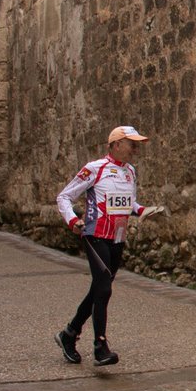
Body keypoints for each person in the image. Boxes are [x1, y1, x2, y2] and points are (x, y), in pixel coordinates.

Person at [54, 126, 151, 366]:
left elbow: (128, 202)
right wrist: (73, 220)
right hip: (95, 236)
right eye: (131, 143)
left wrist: (142, 210)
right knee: (104, 289)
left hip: (118, 238)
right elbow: (64, 197)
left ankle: (69, 334)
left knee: (99, 288)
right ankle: (100, 346)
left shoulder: (130, 171)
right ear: (116, 144)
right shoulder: (95, 169)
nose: (135, 148)